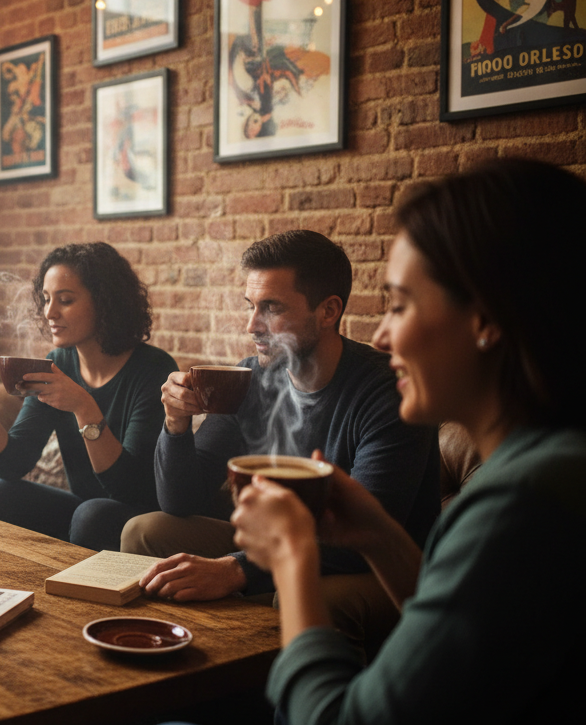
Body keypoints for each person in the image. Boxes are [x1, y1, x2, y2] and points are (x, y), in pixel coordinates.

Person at [125, 159, 586, 725]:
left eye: (400, 306)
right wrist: (371, 531)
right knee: (144, 532)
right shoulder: (547, 466)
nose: (386, 336)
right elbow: (453, 632)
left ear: (486, 323)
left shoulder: (521, 506)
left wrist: (290, 558)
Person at [124, 230, 440, 654]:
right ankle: (165, 665)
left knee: (306, 596)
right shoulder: (251, 379)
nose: (251, 326)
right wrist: (175, 423)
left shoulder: (385, 392)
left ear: (328, 311)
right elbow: (180, 501)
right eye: (250, 306)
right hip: (277, 543)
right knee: (145, 532)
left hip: (376, 568)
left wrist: (236, 570)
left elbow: (359, 533)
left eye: (271, 308)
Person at [0, 241, 177, 551]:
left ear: (105, 303)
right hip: (85, 511)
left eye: (65, 300)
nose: (50, 312)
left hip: (136, 518)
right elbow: (11, 463)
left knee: (92, 515)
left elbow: (128, 488)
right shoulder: (59, 363)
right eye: (47, 299)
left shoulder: (153, 369)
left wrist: (84, 407)